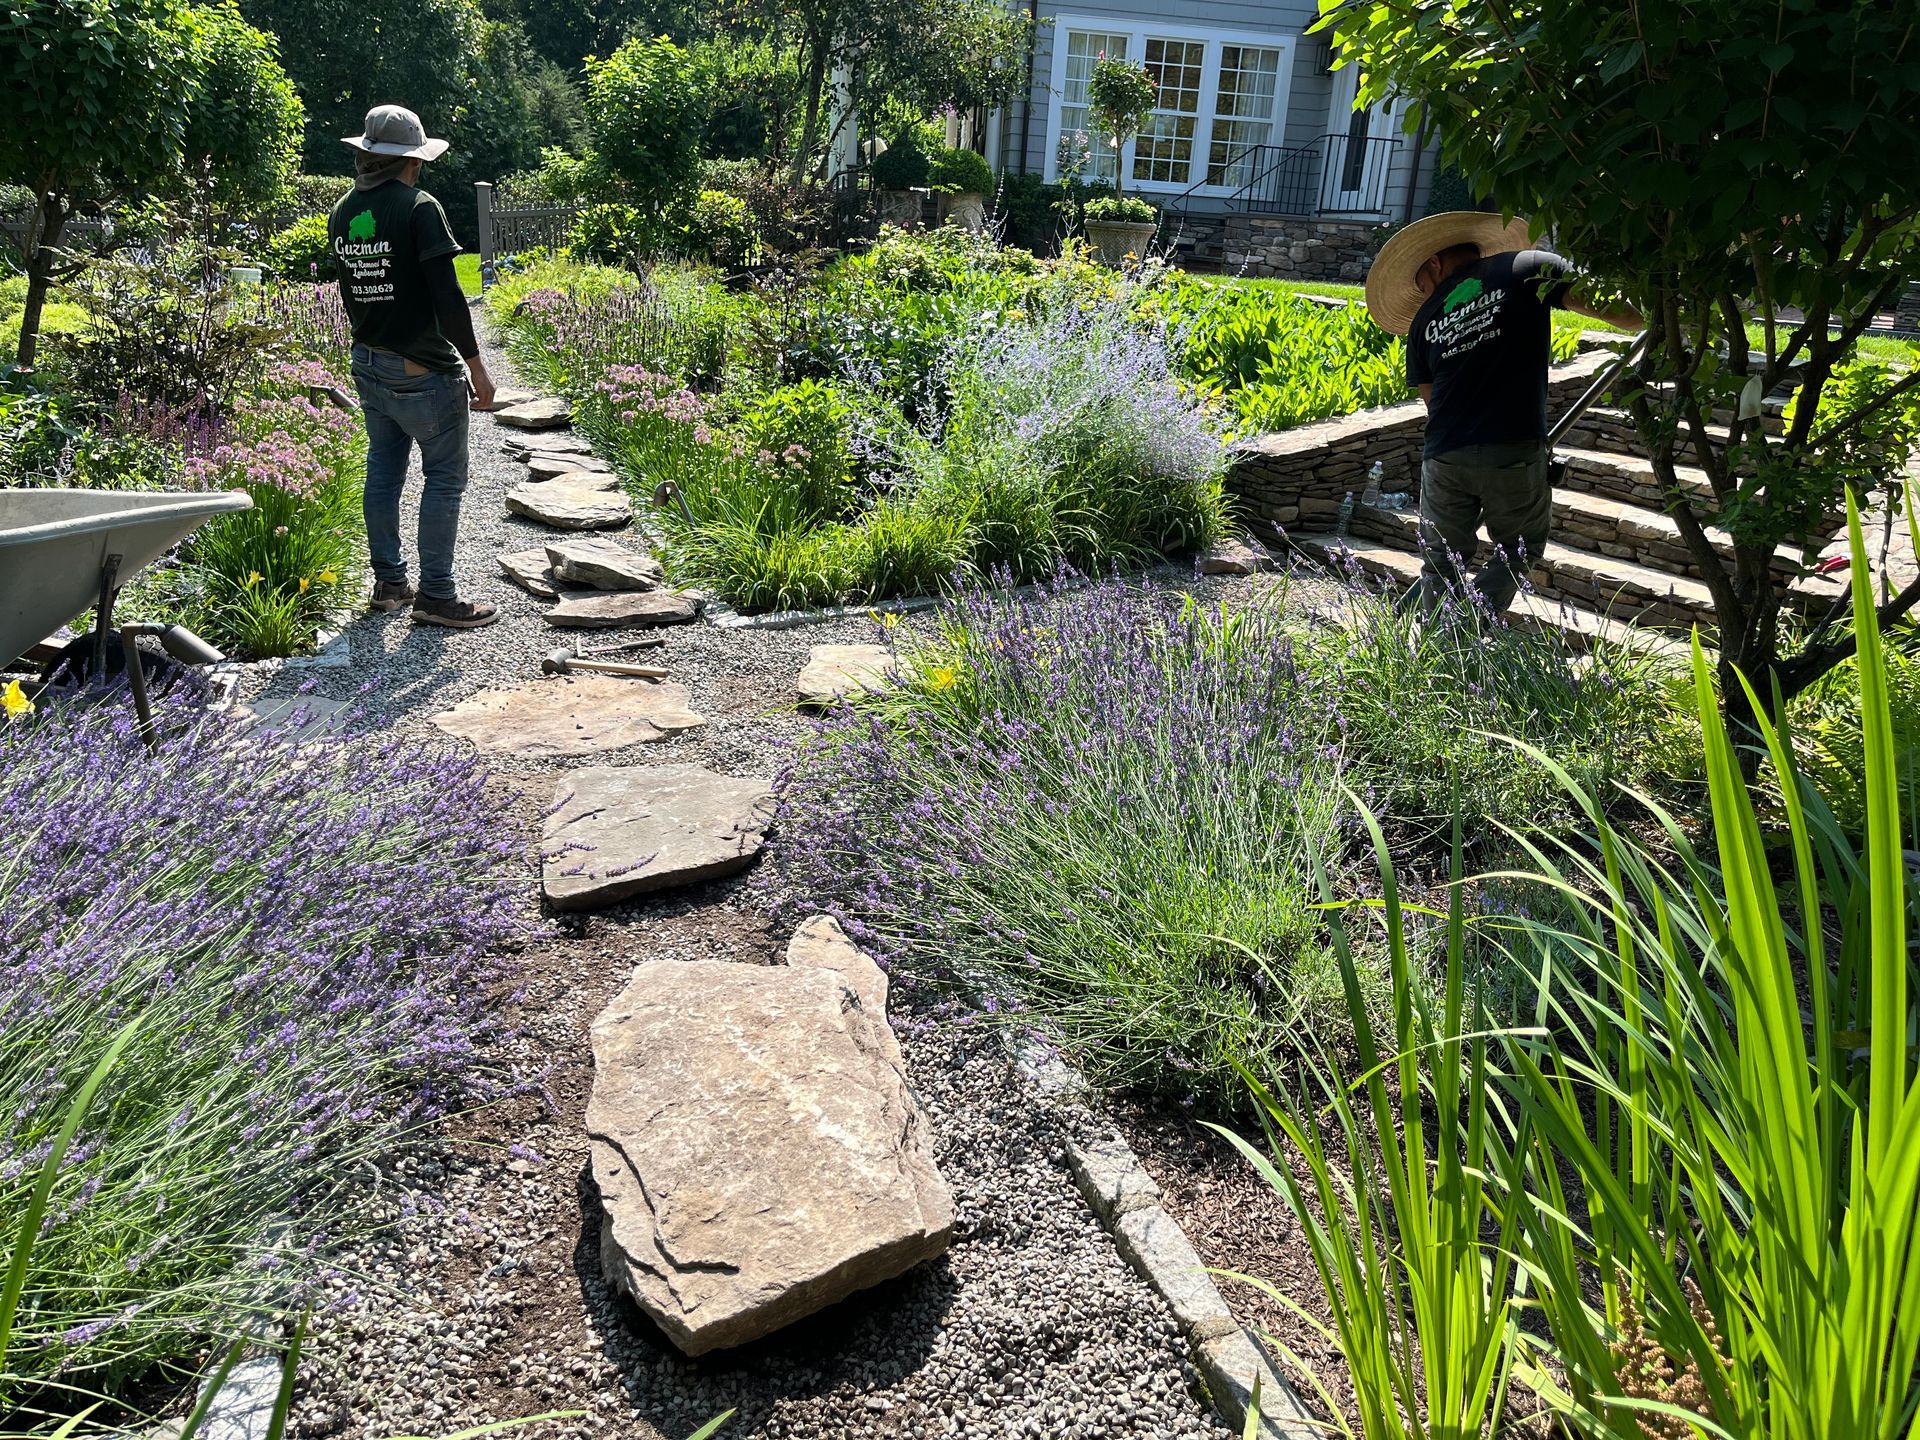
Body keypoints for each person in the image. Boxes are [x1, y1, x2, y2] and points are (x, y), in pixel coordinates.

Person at [1364, 211, 1640, 613]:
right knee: (1519, 547)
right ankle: (1468, 629)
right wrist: (1652, 320)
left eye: (1419, 282)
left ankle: (1435, 652)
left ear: (1435, 263)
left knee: (1440, 564)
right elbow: (1607, 307)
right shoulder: (1527, 266)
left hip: (1444, 456)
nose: (1422, 293)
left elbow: (1432, 401)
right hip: (1511, 447)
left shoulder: (1424, 321)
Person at [330, 105, 499, 628]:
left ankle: (389, 585)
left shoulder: (343, 209)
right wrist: (477, 367)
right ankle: (437, 596)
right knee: (444, 478)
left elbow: (350, 289)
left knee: (383, 468)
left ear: (366, 155)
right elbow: (448, 296)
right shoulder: (419, 207)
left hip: (368, 360)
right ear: (412, 160)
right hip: (421, 369)